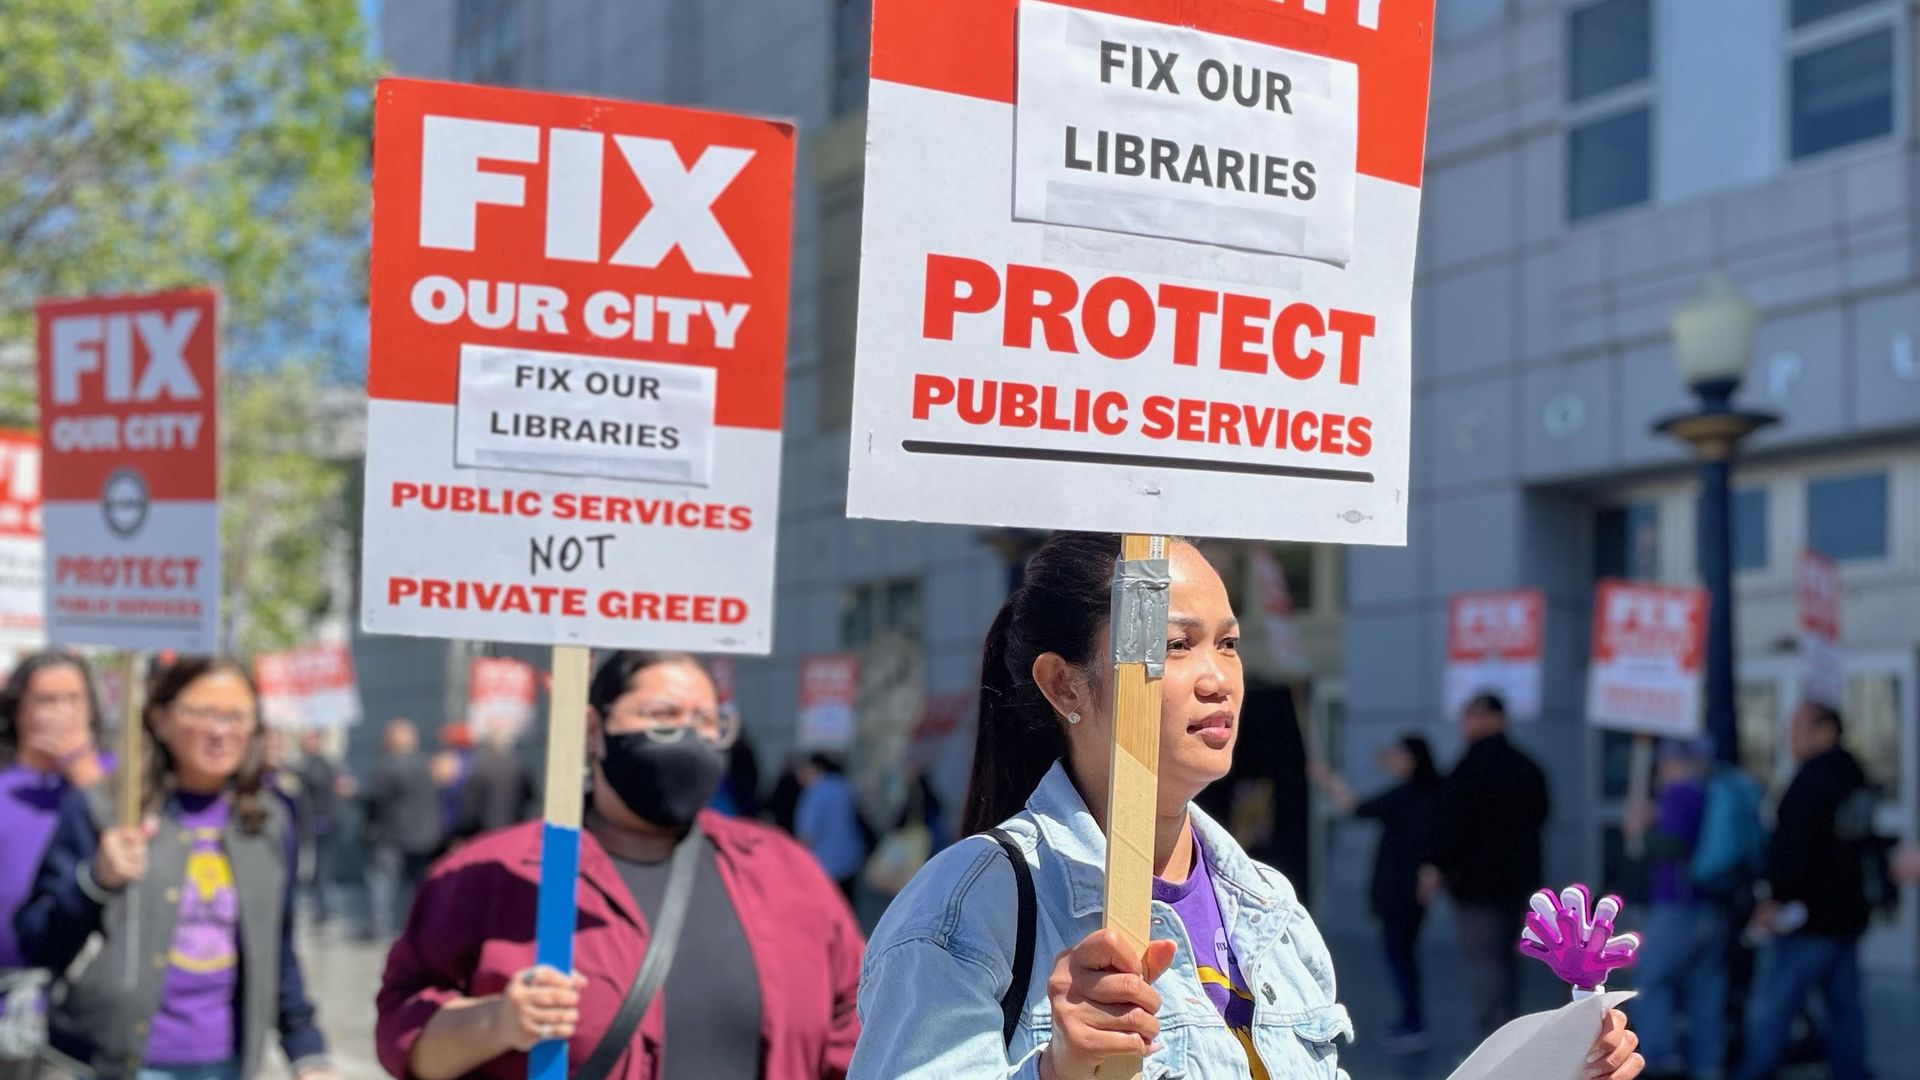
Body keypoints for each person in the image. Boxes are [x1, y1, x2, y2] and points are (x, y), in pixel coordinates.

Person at [847, 533, 1641, 1080]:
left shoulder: (1270, 909)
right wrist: (1062, 1070)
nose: (1219, 676)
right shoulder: (970, 908)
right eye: (1174, 645)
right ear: (1065, 685)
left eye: (1228, 643)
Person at [376, 650, 863, 1079]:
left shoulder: (785, 871)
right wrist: (498, 1021)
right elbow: (405, 1034)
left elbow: (863, 1027)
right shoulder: (492, 875)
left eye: (708, 721)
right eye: (663, 716)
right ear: (593, 730)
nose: (690, 738)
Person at [14, 656, 335, 1080]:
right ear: (160, 718)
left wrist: (306, 1051)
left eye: (236, 716)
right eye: (202, 713)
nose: (221, 731)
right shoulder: (104, 808)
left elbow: (276, 945)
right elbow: (38, 938)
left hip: (226, 1062)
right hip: (111, 1060)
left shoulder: (268, 822)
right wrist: (96, 881)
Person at [1733, 703, 1870, 1080]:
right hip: (1846, 915)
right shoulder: (1854, 778)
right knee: (1845, 1009)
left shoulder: (1813, 780)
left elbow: (1793, 847)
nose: (1789, 738)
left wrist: (1776, 897)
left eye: (1798, 728)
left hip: (1806, 918)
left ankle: (1755, 1072)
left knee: (1773, 1008)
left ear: (1826, 731)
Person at [0, 651, 106, 1079]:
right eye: (46, 700)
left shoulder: (115, 780)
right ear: (18, 709)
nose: (61, 714)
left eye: (73, 699)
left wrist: (84, 772)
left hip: (85, 1008)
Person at [1421, 691, 1549, 1038]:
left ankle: (1498, 1041)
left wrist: (1436, 867)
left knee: (1485, 965)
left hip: (1476, 888)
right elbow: (1541, 815)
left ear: (1491, 718)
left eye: (1471, 716)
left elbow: (1448, 824)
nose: (1465, 724)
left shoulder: (1467, 767)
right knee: (1509, 965)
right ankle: (1512, 1032)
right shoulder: (1528, 766)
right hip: (1520, 885)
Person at [1311, 734, 1442, 1054]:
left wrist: (1327, 781)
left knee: (1400, 957)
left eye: (1399, 754)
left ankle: (1413, 1023)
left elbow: (1354, 807)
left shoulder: (1406, 795)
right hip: (1409, 892)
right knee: (1404, 956)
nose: (1393, 759)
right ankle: (1412, 1021)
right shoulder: (1433, 794)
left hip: (1398, 891)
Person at [1623, 739, 1726, 1080]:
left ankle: (1660, 1060)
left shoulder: (1677, 794)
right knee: (1704, 989)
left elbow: (1672, 845)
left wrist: (1641, 832)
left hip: (1677, 906)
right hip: (1711, 907)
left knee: (1651, 981)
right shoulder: (1710, 792)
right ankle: (1708, 1064)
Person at [362, 719, 443, 939]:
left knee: (382, 882)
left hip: (392, 834)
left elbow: (374, 799)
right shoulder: (428, 765)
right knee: (420, 884)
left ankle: (379, 926)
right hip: (424, 835)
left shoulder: (387, 765)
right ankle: (422, 925)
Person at [796, 753, 870, 902]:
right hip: (849, 860)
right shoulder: (843, 786)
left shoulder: (814, 794)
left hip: (823, 864)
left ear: (814, 769)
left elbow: (808, 834)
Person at [453, 727, 537, 841]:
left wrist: (464, 830)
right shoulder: (519, 766)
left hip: (486, 829)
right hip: (513, 826)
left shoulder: (481, 768)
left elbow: (471, 804)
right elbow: (530, 796)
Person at [294, 730, 340, 927]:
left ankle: (322, 909)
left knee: (319, 868)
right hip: (307, 823)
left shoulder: (320, 765)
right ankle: (318, 907)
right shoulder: (306, 765)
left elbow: (319, 784)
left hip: (319, 822)